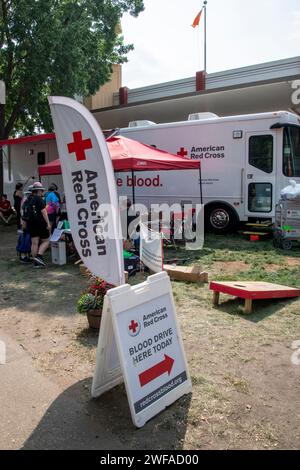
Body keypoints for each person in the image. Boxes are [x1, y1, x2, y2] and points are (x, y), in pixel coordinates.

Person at [23, 182, 51, 268]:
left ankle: (36, 262)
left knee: (34, 243)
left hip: (31, 224)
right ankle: (39, 256)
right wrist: (48, 223)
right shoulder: (39, 199)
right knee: (46, 241)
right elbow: (44, 212)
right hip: (40, 223)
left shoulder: (27, 200)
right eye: (42, 191)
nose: (42, 192)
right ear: (38, 191)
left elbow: (23, 214)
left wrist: (24, 225)